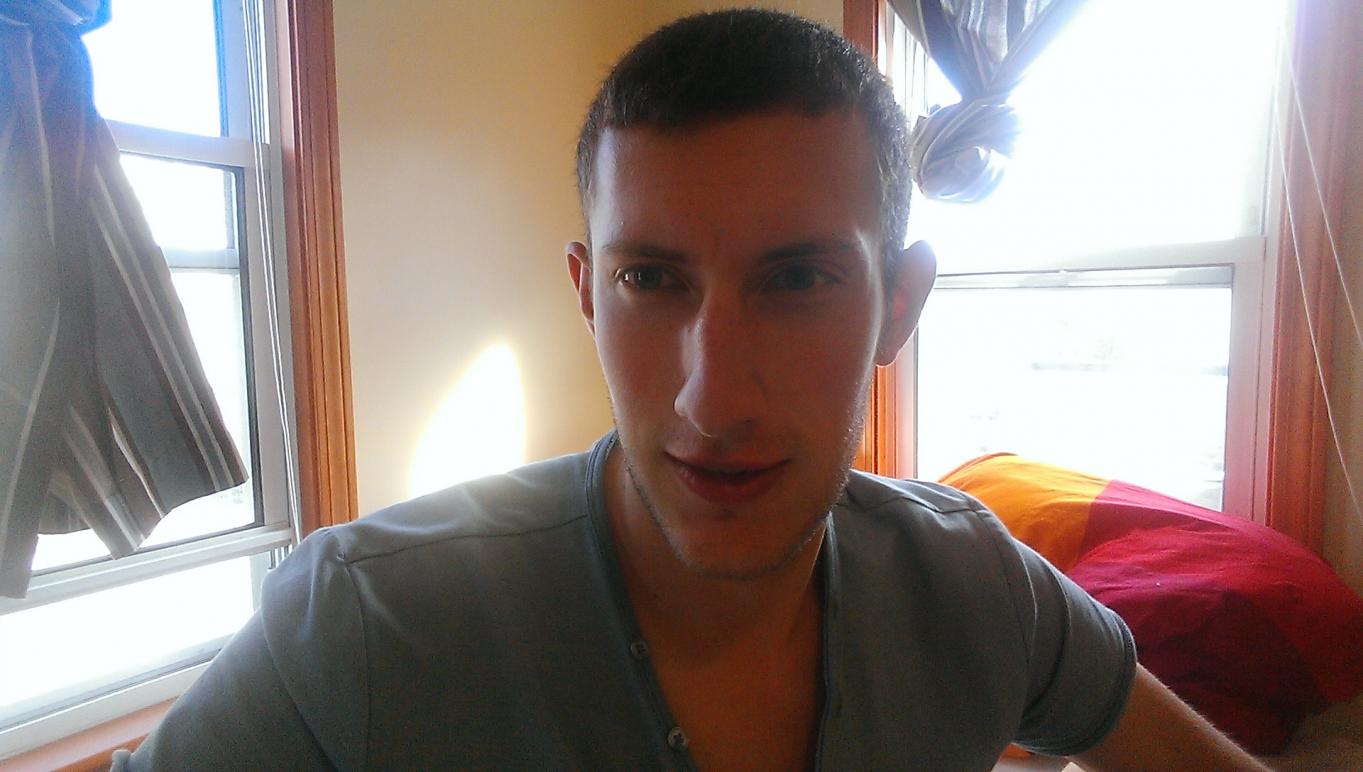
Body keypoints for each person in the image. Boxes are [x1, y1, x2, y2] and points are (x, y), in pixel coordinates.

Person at [118, 10, 1267, 770]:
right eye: (652, 280)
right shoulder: (367, 626)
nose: (712, 403)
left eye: (798, 279)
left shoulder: (977, 587)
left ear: (899, 305)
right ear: (587, 293)